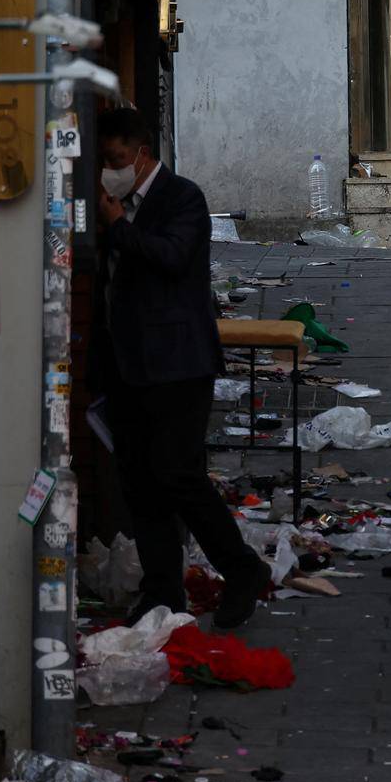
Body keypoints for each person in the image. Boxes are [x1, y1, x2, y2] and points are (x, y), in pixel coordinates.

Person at [95, 107, 271, 629]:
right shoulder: (111, 205)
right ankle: (162, 592)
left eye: (117, 159)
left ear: (142, 153)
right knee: (140, 484)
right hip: (126, 368)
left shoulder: (182, 198)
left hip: (178, 366)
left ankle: (242, 569)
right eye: (104, 161)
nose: (110, 169)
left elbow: (171, 258)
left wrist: (119, 228)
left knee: (179, 475)